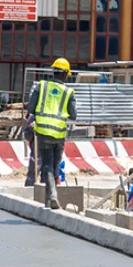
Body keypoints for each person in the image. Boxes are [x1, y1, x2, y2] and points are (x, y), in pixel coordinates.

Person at [27, 58, 77, 210]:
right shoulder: (68, 92)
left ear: (53, 72)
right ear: (66, 74)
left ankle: (52, 198)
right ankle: (52, 198)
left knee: (47, 164)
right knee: (54, 166)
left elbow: (30, 108)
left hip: (43, 131)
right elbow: (73, 115)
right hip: (59, 133)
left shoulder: (41, 86)